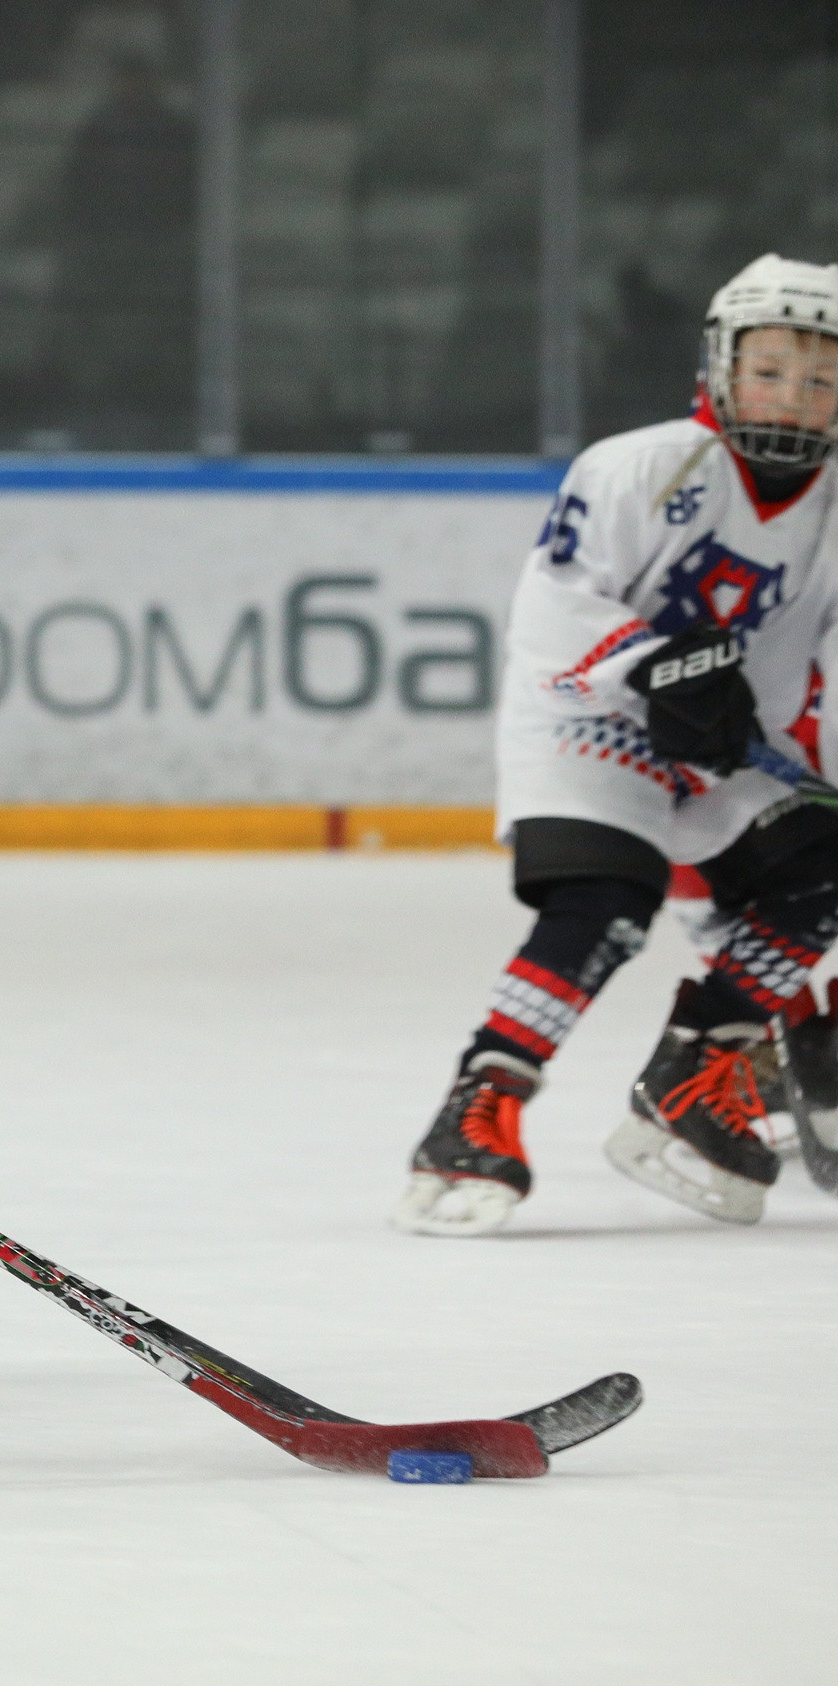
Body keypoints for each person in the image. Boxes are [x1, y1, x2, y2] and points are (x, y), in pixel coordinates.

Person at [394, 253, 838, 1236]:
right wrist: (652, 667)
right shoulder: (638, 465)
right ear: (720, 367)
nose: (793, 397)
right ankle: (478, 1108)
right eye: (770, 370)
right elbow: (553, 613)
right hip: (588, 717)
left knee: (822, 863)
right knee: (605, 903)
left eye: (820, 379)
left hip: (728, 744)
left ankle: (702, 1067)